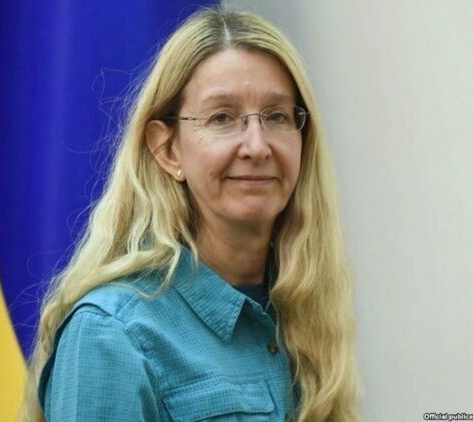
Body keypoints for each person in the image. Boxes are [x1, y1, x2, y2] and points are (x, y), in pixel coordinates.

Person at [21, 7, 362, 422]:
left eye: (276, 116)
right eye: (222, 118)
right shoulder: (112, 333)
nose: (257, 146)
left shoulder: (306, 313)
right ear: (167, 149)